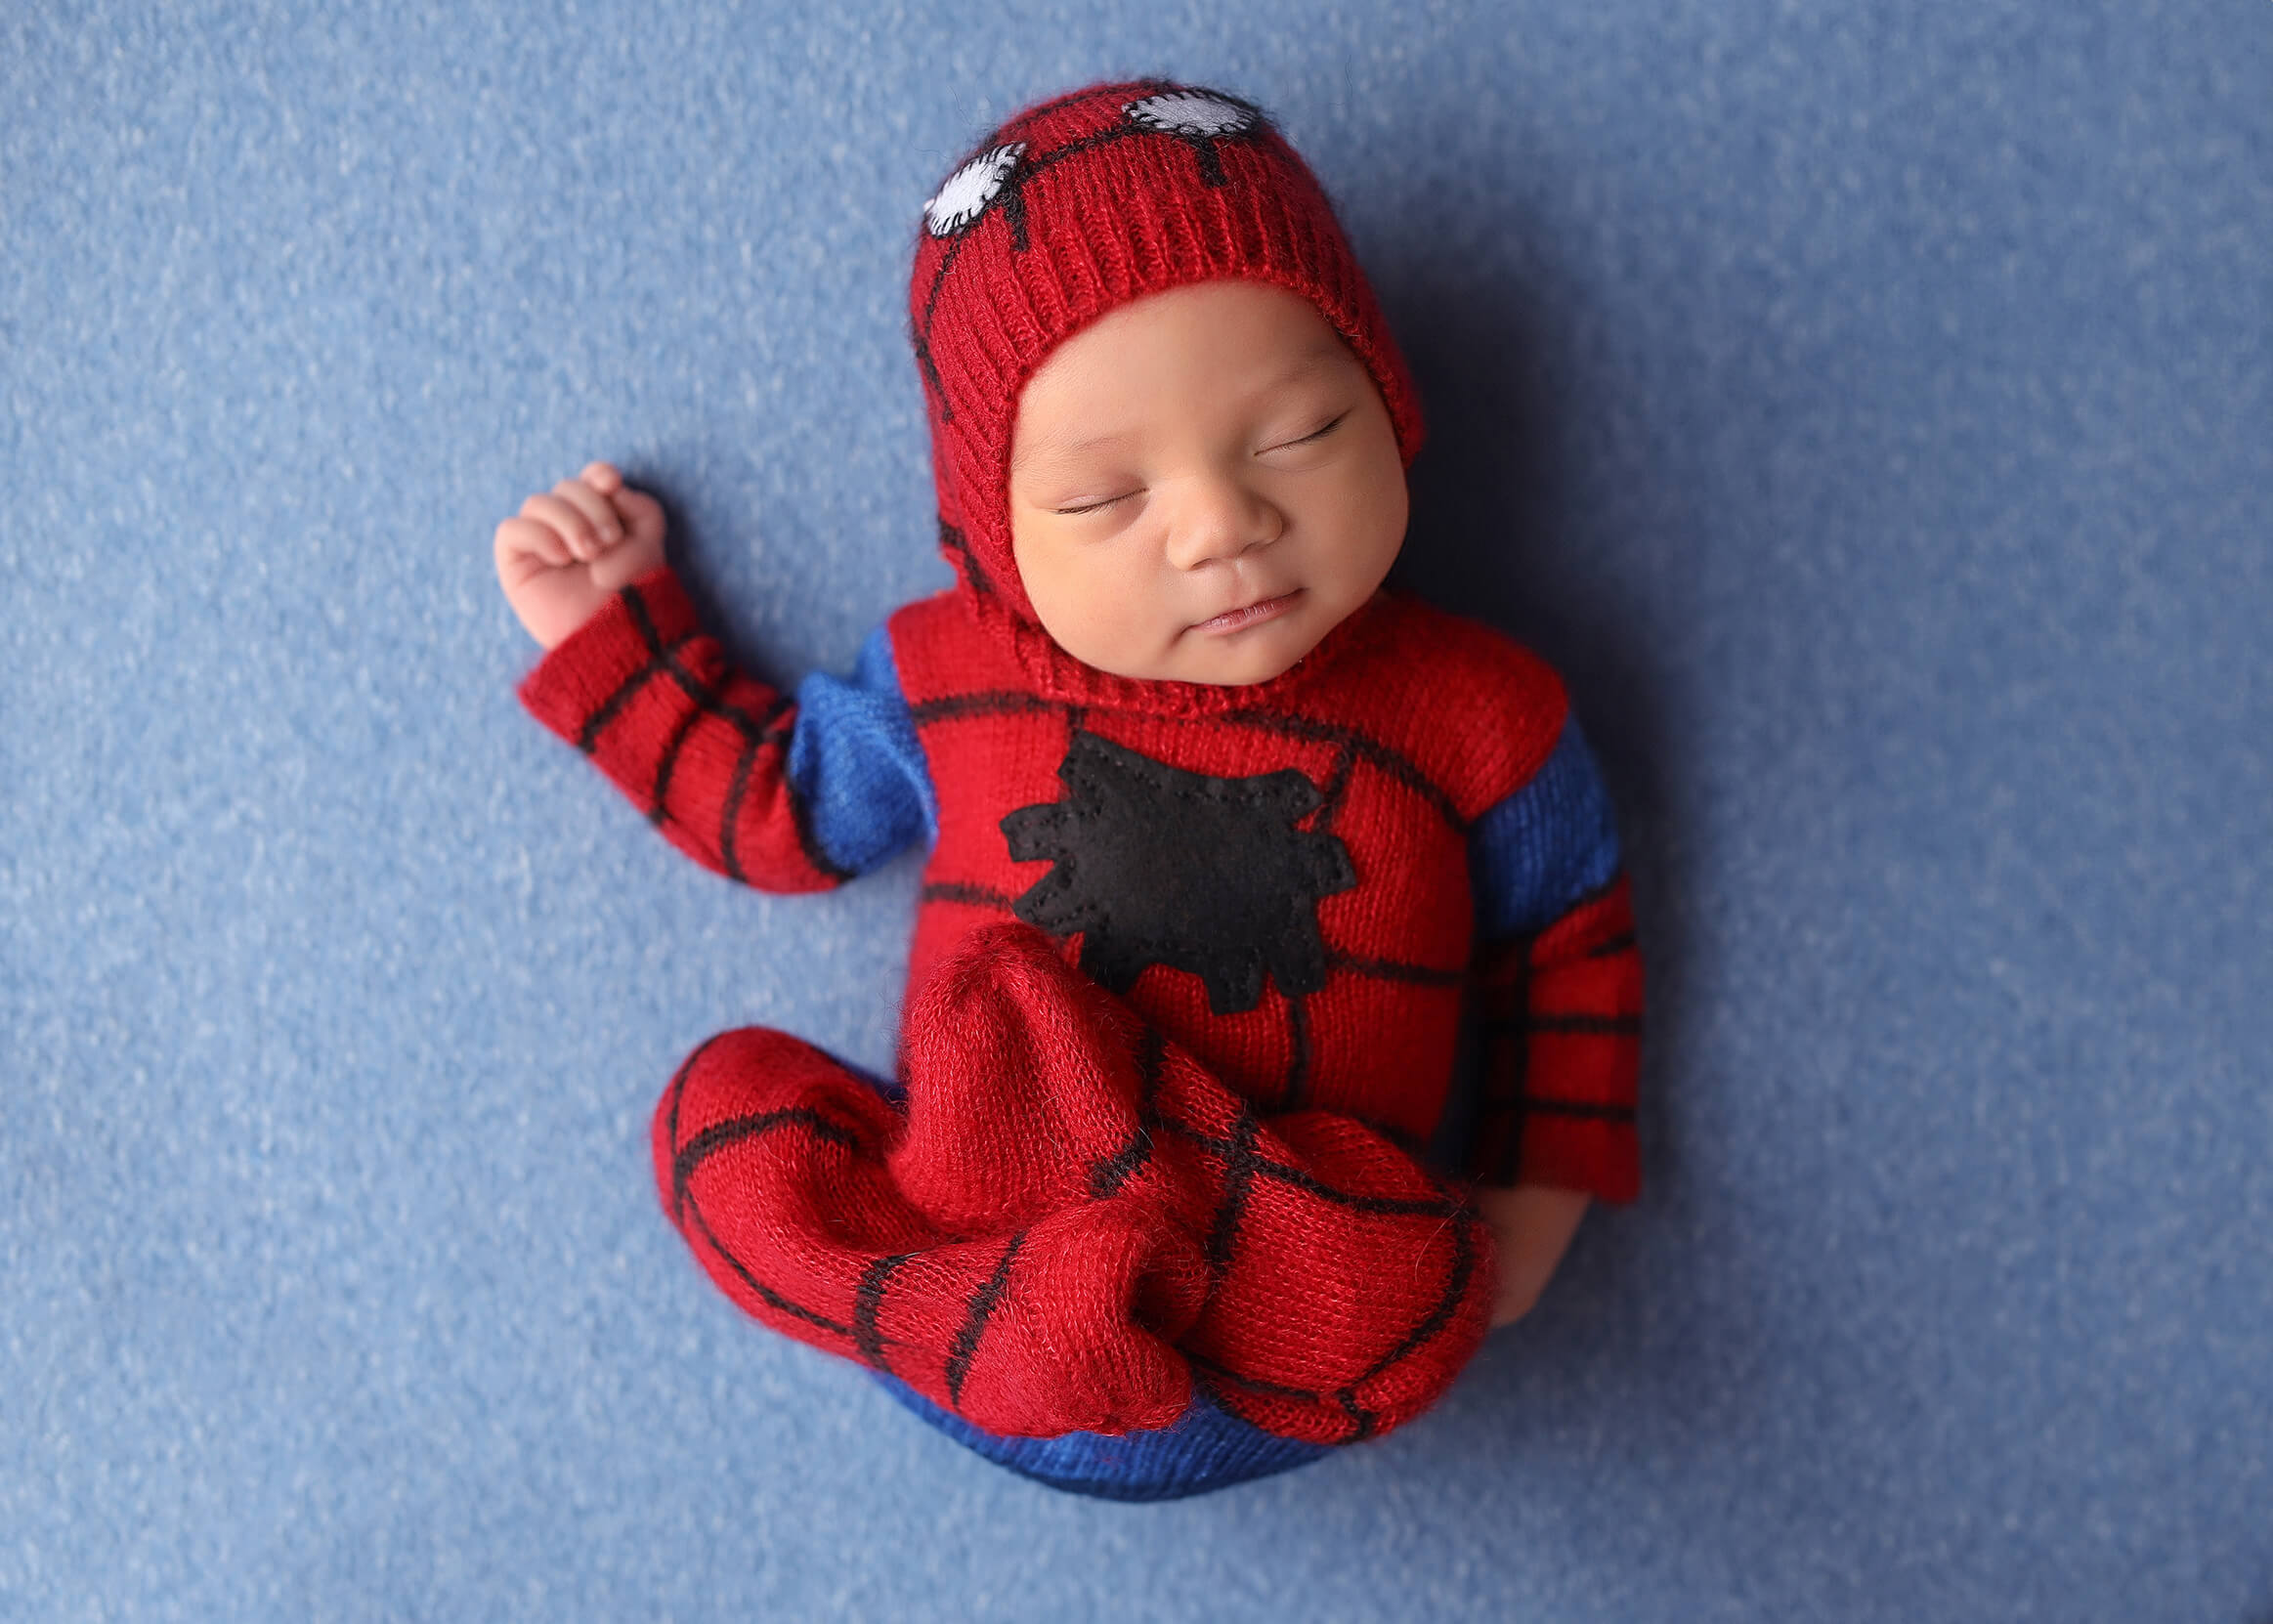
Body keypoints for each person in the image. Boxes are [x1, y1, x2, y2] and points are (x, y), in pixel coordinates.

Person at [494, 81, 1643, 1501]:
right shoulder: (945, 673)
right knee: (717, 1117)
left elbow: (1569, 943)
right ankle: (1004, 1317)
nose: (1222, 526)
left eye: (1300, 435)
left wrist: (1541, 1191)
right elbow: (779, 813)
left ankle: (1059, 1318)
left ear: (1391, 407)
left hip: (1280, 1308)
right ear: (990, 531)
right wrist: (615, 630)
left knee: (1417, 1281)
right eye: (1105, 499)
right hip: (991, 1215)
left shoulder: (1479, 711)